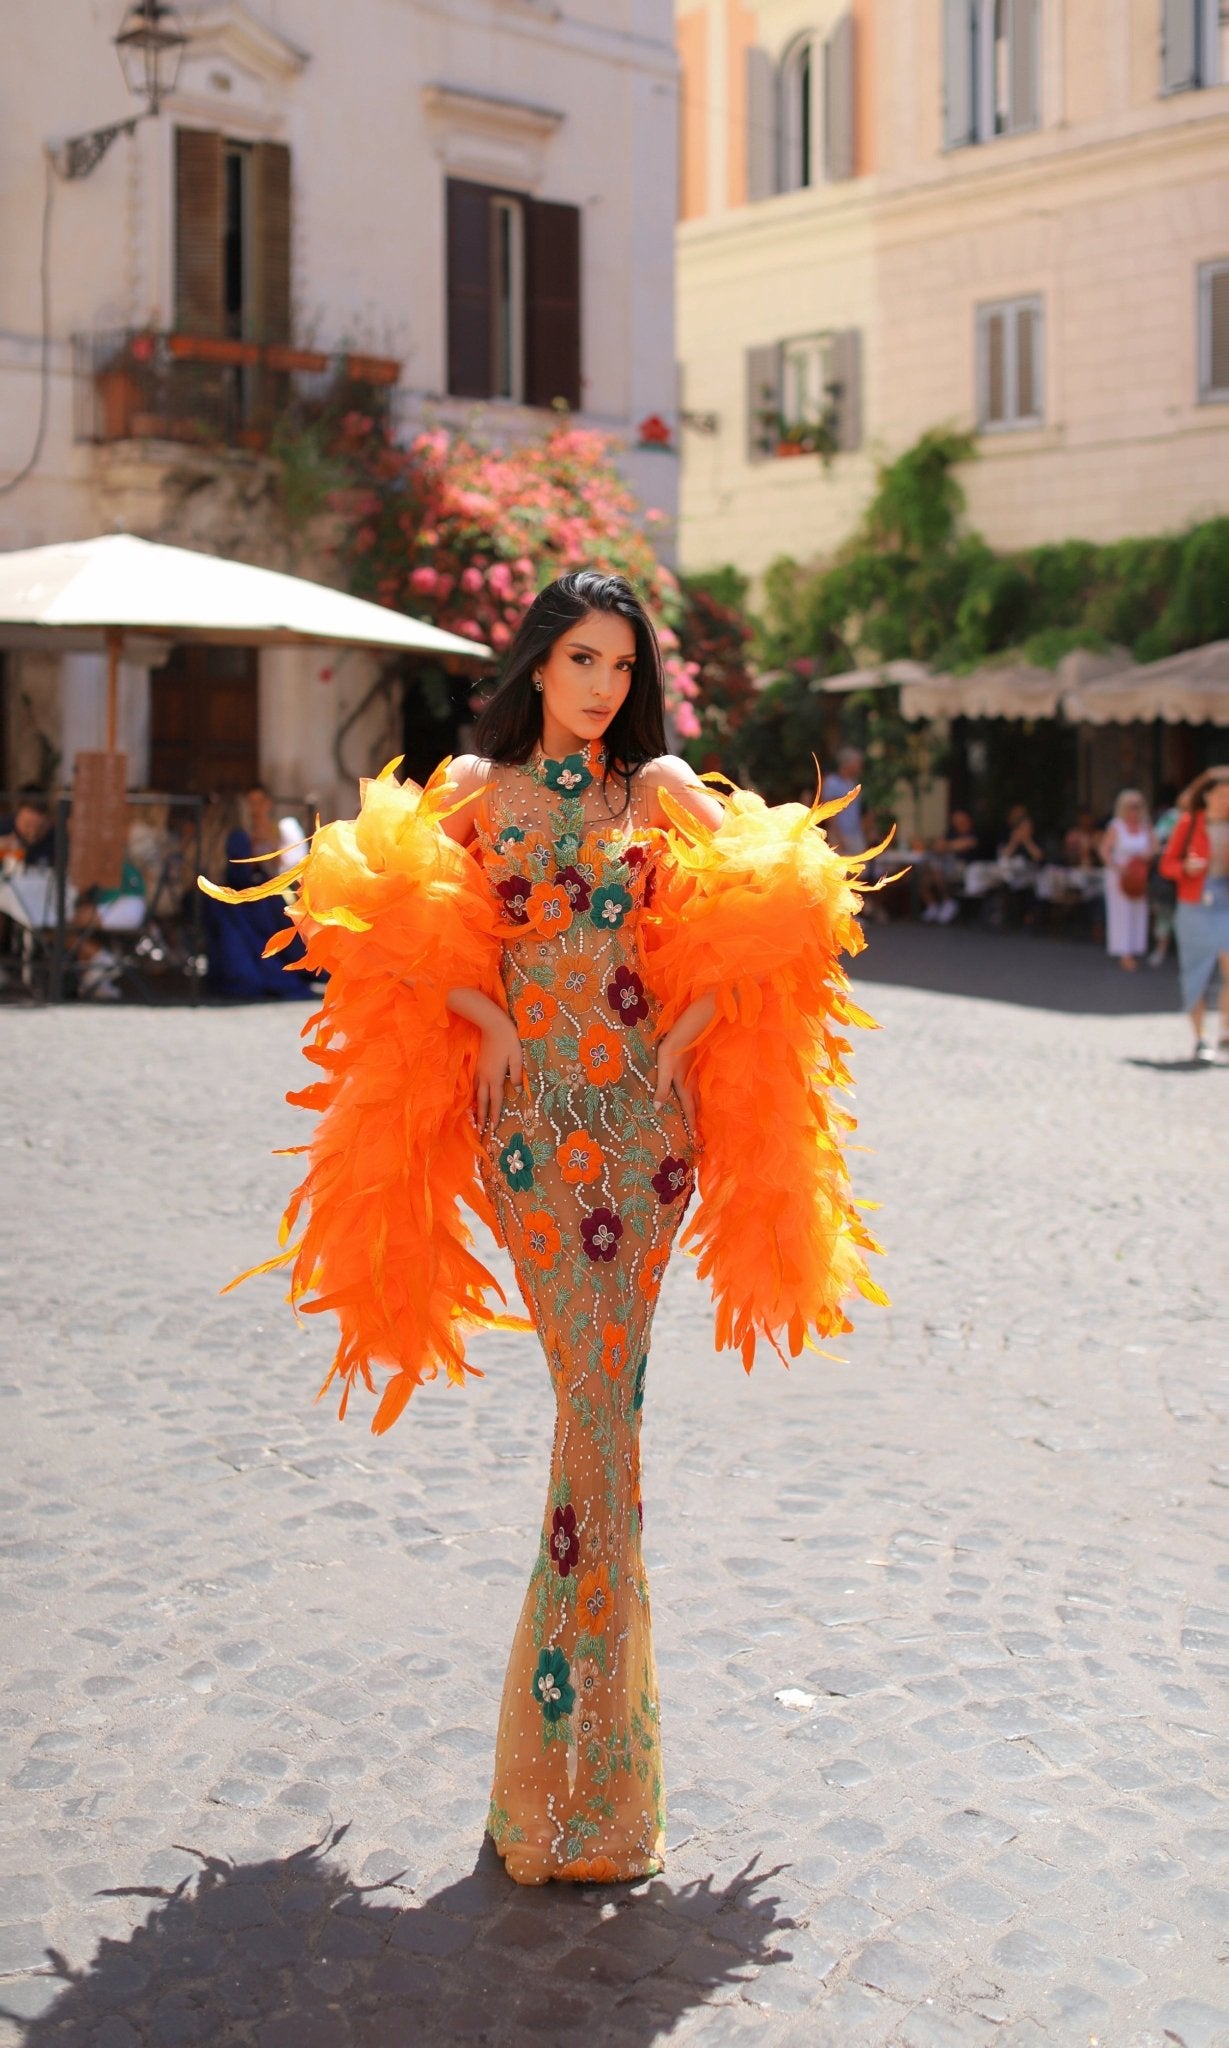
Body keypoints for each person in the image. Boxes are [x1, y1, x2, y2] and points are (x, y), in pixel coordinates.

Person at [204, 569, 885, 1887]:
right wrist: (483, 1016)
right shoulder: (476, 789)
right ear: (535, 664)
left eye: (623, 666)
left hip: (641, 1137)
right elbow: (378, 912)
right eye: (582, 659)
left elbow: (786, 906)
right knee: (593, 1409)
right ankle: (577, 1794)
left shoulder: (660, 788)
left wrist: (691, 1028)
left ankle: (575, 1795)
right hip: (527, 1134)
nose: (603, 687)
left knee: (604, 1414)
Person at [1160, 766, 1229, 1063]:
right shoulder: (1189, 823)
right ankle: (1201, 1037)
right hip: (1194, 905)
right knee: (1196, 972)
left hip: (1226, 903)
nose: (1226, 800)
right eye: (1222, 794)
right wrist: (1185, 868)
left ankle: (1226, 1031)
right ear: (1208, 795)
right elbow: (1166, 865)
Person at [1100, 789, 1155, 971]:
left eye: (1138, 806)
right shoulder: (1116, 826)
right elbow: (1105, 851)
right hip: (1120, 874)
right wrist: (1118, 867)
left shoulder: (1145, 825)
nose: (1135, 810)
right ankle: (1124, 952)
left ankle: (1136, 947)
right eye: (1131, 807)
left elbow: (1154, 846)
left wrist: (1146, 856)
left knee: (1138, 911)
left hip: (1139, 874)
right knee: (1122, 913)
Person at [919, 808, 980, 923]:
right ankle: (932, 905)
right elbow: (937, 846)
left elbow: (967, 844)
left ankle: (948, 901)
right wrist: (948, 845)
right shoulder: (951, 832)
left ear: (967, 819)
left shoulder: (974, 832)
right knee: (925, 873)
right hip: (944, 865)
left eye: (959, 819)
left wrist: (947, 846)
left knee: (936, 868)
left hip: (964, 867)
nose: (956, 822)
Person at [821, 746, 866, 856]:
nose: (859, 766)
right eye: (857, 763)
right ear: (846, 763)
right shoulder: (832, 783)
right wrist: (839, 836)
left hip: (855, 835)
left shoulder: (852, 783)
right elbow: (829, 812)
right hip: (839, 836)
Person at [0, 791, 56, 867]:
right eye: (27, 825)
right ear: (17, 818)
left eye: (40, 828)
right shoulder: (3, 827)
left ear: (49, 823)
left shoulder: (56, 839)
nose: (32, 833)